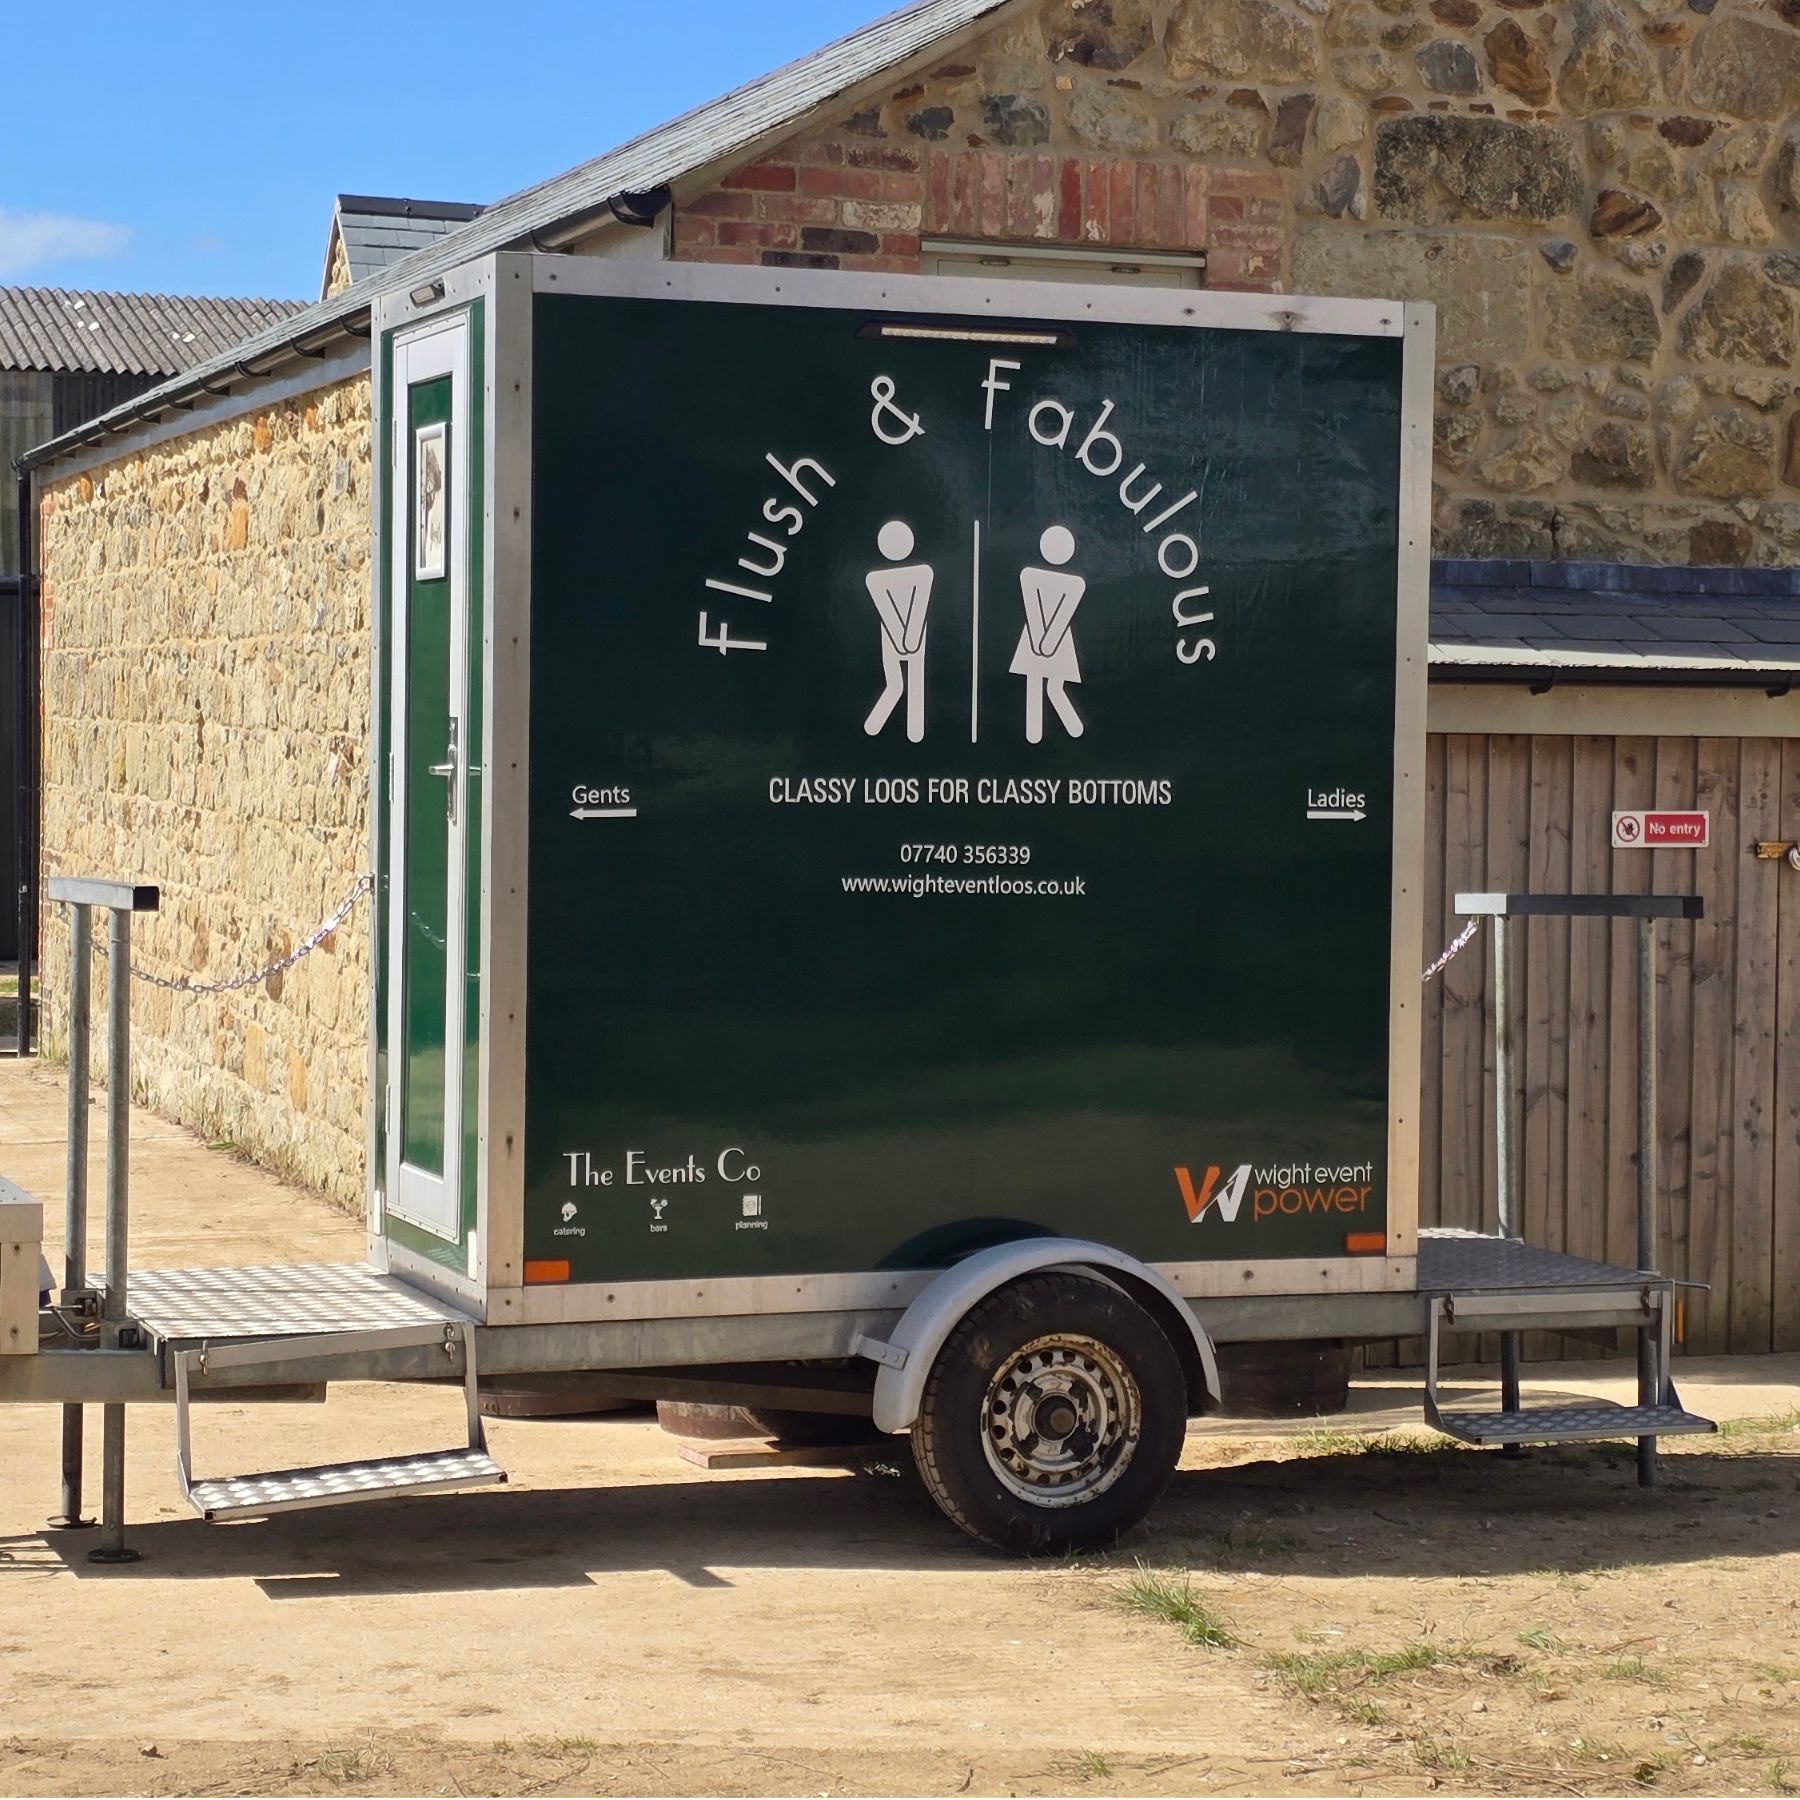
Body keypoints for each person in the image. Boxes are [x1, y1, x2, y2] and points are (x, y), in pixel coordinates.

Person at [863, 519, 934, 742]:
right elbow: (886, 608)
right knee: (896, 684)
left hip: (911, 634)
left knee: (912, 684)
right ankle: (875, 726)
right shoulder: (876, 578)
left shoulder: (923, 573)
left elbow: (920, 603)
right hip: (896, 635)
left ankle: (914, 733)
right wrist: (904, 638)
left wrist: (909, 636)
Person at [1013, 525, 1085, 743]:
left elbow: (1064, 613)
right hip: (1039, 637)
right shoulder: (1029, 576)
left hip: (1056, 638)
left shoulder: (1074, 583)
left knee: (1053, 686)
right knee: (1035, 684)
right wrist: (1041, 641)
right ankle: (1034, 734)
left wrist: (1046, 642)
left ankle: (1072, 727)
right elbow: (1032, 607)